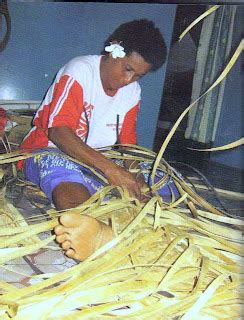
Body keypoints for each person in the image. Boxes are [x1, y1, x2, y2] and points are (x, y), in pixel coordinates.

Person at [19, 19, 169, 261]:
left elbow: (127, 143)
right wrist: (111, 170)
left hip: (99, 159)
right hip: (50, 149)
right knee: (61, 169)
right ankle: (92, 229)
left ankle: (123, 221)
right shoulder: (80, 71)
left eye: (138, 76)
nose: (128, 80)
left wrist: (137, 177)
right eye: (127, 69)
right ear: (113, 48)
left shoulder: (132, 91)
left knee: (161, 177)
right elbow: (58, 131)